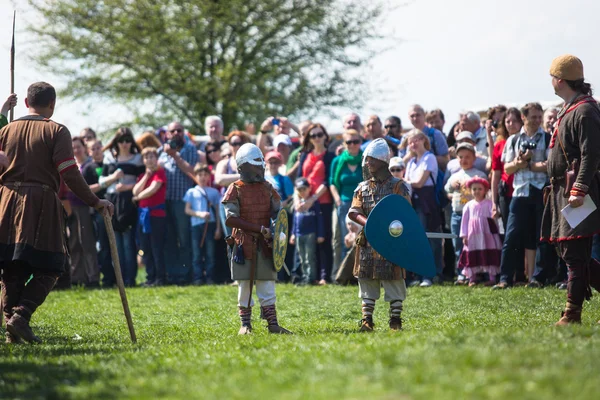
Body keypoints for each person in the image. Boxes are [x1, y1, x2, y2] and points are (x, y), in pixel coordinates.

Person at [0, 82, 113, 343]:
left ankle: (12, 326)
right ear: (52, 104)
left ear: (26, 103)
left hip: (6, 202)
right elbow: (69, 172)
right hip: (40, 203)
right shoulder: (56, 130)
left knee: (11, 267)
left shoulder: (5, 130)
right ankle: (20, 317)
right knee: (52, 265)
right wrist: (95, 201)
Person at [541, 54, 600, 325]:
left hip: (577, 192)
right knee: (572, 254)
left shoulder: (585, 110)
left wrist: (579, 187)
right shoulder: (570, 108)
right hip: (562, 192)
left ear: (560, 79)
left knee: (575, 255)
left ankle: (572, 314)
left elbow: (591, 154)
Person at [221, 143, 292, 335]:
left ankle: (273, 324)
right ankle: (245, 325)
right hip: (243, 244)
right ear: (244, 166)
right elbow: (230, 218)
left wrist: (276, 230)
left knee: (267, 284)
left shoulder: (268, 188)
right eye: (256, 163)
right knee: (245, 286)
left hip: (265, 244)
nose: (261, 167)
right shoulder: (235, 188)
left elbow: (279, 214)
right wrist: (260, 228)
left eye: (261, 163)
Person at [348, 138, 411, 331]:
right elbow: (353, 211)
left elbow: (406, 211)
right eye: (367, 160)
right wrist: (370, 224)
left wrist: (391, 226)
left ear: (383, 161)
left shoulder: (398, 186)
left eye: (372, 159)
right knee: (367, 278)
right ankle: (367, 320)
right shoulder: (362, 187)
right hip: (368, 240)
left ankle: (395, 320)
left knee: (394, 279)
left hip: (392, 239)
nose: (368, 163)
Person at [494, 103, 550, 289]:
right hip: (520, 191)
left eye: (539, 116)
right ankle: (505, 279)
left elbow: (551, 164)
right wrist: (519, 162)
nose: (537, 120)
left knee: (541, 236)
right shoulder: (513, 140)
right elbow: (507, 168)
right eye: (533, 117)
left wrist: (531, 165)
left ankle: (538, 278)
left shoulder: (548, 138)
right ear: (524, 118)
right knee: (511, 236)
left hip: (540, 190)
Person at [100, 127, 145, 287]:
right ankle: (119, 280)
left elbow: (144, 180)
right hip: (111, 201)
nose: (125, 144)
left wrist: (128, 186)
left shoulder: (138, 158)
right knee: (115, 245)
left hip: (128, 203)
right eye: (121, 141)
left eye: (128, 140)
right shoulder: (108, 159)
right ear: (116, 142)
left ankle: (129, 279)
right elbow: (101, 181)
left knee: (128, 244)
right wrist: (114, 177)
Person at [158, 121, 199, 284]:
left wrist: (175, 155)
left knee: (184, 239)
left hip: (183, 201)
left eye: (179, 130)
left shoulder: (190, 149)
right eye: (172, 131)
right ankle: (172, 274)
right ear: (167, 134)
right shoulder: (161, 151)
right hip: (164, 201)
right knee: (168, 239)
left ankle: (185, 274)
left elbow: (192, 171)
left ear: (183, 132)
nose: (176, 133)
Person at [296, 123, 335, 284]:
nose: (317, 138)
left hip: (322, 202)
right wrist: (299, 200)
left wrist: (312, 200)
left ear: (325, 136)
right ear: (309, 139)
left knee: (323, 238)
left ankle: (324, 276)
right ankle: (309, 275)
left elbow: (327, 181)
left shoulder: (330, 156)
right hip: (303, 203)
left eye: (320, 135)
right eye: (313, 135)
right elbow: (298, 179)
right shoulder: (304, 155)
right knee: (306, 240)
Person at [444, 143, 488, 283]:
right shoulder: (455, 176)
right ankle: (462, 273)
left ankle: (478, 272)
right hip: (457, 214)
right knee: (458, 244)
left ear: (474, 158)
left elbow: (484, 189)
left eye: (468, 157)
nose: (464, 160)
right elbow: (446, 189)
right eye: (461, 157)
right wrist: (452, 186)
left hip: (474, 216)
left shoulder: (478, 174)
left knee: (475, 243)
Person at [403, 129, 443, 286]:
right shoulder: (412, 162)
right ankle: (418, 275)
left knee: (429, 239)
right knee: (416, 239)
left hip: (427, 202)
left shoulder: (430, 157)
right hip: (414, 202)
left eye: (416, 140)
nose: (413, 144)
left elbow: (419, 182)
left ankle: (430, 275)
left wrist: (404, 182)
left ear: (423, 140)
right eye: (410, 141)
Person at [67, 137, 100, 288]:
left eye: (78, 147)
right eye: (73, 147)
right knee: (74, 244)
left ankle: (92, 277)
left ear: (84, 147)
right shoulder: (72, 166)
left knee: (87, 243)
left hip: (86, 208)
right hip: (71, 208)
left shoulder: (90, 166)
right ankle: (77, 277)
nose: (76, 150)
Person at [133, 147, 167, 287]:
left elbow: (154, 188)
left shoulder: (160, 173)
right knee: (146, 247)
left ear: (156, 158)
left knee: (156, 248)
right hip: (143, 217)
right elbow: (135, 189)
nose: (149, 160)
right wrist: (146, 176)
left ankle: (160, 278)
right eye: (146, 157)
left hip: (156, 216)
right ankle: (150, 277)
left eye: (152, 157)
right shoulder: (143, 176)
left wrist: (137, 198)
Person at [458, 177, 502, 286]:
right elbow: (464, 222)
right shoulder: (468, 206)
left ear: (485, 190)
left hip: (487, 235)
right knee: (472, 254)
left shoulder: (489, 204)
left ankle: (492, 278)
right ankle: (472, 278)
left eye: (479, 189)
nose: (477, 191)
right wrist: (464, 235)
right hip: (473, 235)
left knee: (489, 253)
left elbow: (494, 219)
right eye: (474, 189)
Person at [184, 164, 222, 285]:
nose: (203, 177)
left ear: (209, 176)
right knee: (197, 253)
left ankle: (210, 277)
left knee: (210, 253)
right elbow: (187, 210)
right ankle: (198, 278)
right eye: (200, 175)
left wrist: (218, 228)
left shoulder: (214, 192)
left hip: (210, 225)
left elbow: (217, 212)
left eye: (205, 175)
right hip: (196, 226)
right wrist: (199, 214)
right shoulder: (191, 192)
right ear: (196, 176)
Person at [330, 129, 363, 263]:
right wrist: (337, 200)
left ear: (360, 142)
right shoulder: (338, 161)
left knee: (362, 237)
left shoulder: (366, 160)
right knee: (345, 238)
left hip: (362, 204)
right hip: (343, 203)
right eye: (349, 142)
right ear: (344, 144)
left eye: (356, 141)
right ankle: (345, 273)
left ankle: (361, 270)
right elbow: (332, 182)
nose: (353, 145)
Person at [490, 108, 523, 231]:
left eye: (514, 121)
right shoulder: (499, 145)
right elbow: (496, 175)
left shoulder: (527, 141)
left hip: (524, 192)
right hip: (506, 192)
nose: (511, 124)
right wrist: (494, 202)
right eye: (508, 121)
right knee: (508, 230)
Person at [290, 178, 325, 285]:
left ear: (309, 189)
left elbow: (319, 219)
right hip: (299, 234)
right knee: (301, 256)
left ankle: (311, 277)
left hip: (310, 233)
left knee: (309, 257)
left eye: (304, 189)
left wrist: (320, 234)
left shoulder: (313, 203)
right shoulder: (297, 204)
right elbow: (295, 220)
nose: (302, 192)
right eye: (300, 190)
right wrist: (293, 234)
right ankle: (305, 276)